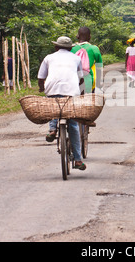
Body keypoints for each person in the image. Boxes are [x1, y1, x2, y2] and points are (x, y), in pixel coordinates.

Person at [38, 36, 86, 170]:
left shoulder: (49, 57)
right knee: (74, 125)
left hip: (52, 91)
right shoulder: (76, 58)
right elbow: (81, 79)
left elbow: (41, 77)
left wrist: (42, 88)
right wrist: (82, 95)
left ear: (56, 47)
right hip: (71, 92)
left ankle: (52, 129)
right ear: (71, 48)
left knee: (54, 105)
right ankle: (77, 160)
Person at [71, 27, 103, 94]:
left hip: (73, 82)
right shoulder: (94, 48)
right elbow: (99, 67)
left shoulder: (71, 48)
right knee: (88, 102)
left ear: (77, 36)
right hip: (89, 81)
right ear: (90, 37)